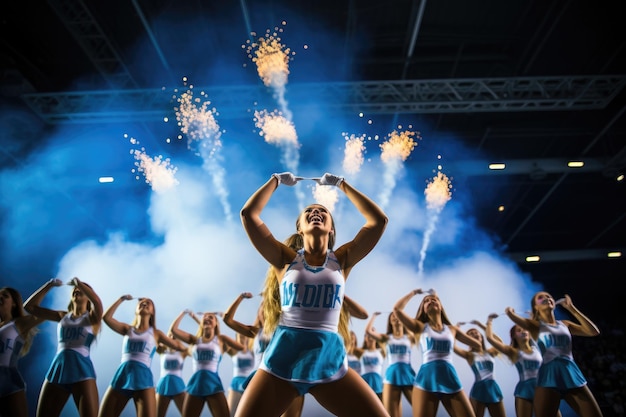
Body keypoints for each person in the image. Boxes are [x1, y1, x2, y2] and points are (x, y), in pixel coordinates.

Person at [237, 172, 388, 417]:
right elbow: (248, 215)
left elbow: (378, 221)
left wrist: (341, 184)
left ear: (331, 229)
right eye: (308, 211)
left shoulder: (342, 259)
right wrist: (275, 180)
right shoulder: (284, 259)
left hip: (327, 357)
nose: (315, 212)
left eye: (322, 212)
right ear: (300, 227)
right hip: (282, 358)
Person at [505, 292, 603, 417]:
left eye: (548, 296)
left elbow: (593, 332)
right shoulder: (535, 326)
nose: (547, 298)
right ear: (536, 307)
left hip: (570, 373)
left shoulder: (565, 324)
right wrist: (510, 312)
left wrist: (571, 309)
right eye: (541, 298)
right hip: (549, 376)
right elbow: (514, 318)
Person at [23, 277, 103, 417]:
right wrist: (49, 285)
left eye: (82, 289)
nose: (77, 290)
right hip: (58, 368)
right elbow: (29, 307)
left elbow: (96, 302)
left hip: (82, 370)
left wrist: (79, 283)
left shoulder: (93, 318)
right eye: (75, 289)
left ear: (88, 296)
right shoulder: (62, 316)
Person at [394, 288, 480, 417]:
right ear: (423, 309)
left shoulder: (452, 329)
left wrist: (454, 345)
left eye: (434, 300)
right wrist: (414, 293)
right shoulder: (420, 327)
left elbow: (477, 345)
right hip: (426, 381)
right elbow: (397, 310)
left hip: (450, 378)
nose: (430, 301)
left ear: (440, 306)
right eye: (426, 301)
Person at [98, 295, 186, 417]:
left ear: (152, 312)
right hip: (122, 376)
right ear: (136, 310)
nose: (144, 303)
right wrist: (121, 299)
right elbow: (106, 318)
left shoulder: (156, 333)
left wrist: (177, 342)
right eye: (142, 303)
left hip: (143, 379)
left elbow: (179, 347)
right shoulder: (127, 329)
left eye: (148, 303)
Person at [169, 309, 244, 417]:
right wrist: (183, 313)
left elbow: (241, 347)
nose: (207, 318)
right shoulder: (194, 340)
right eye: (205, 317)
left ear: (216, 324)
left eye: (211, 317)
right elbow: (174, 330)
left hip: (213, 384)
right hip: (196, 384)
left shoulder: (221, 339)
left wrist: (225, 318)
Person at [484, 313, 557, 417]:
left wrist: (533, 317)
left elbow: (542, 328)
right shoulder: (513, 352)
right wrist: (489, 320)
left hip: (543, 387)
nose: (523, 331)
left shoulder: (537, 347)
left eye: (524, 329)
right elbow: (490, 338)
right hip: (525, 391)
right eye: (519, 330)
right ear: (514, 336)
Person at [0, 286, 45, 417]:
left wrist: (49, 285)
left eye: (5, 295)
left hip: (9, 380)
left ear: (14, 303)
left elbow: (44, 315)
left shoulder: (18, 323)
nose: (0, 297)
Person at [366, 310, 416, 417]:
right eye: (393, 316)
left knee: (421, 409)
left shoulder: (410, 337)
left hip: (408, 374)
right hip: (391, 376)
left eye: (398, 316)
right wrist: (374, 316)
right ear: (390, 321)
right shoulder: (386, 338)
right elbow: (368, 331)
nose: (396, 318)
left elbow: (418, 328)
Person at [453, 320, 506, 417]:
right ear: (468, 340)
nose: (474, 334)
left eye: (476, 332)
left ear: (481, 336)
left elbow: (500, 342)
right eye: (471, 334)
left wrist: (481, 326)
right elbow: (452, 346)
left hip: (493, 388)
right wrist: (455, 329)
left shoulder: (490, 352)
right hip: (479, 390)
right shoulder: (469, 355)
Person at [155, 327, 193, 417]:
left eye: (175, 336)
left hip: (177, 384)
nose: (172, 337)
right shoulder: (162, 350)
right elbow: (152, 337)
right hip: (164, 385)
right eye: (170, 335)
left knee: (188, 414)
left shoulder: (183, 351)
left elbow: (194, 346)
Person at [360, 330, 386, 401]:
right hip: (364, 383)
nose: (370, 336)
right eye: (368, 335)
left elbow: (384, 341)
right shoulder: (361, 352)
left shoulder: (381, 351)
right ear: (365, 338)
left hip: (378, 384)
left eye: (372, 334)